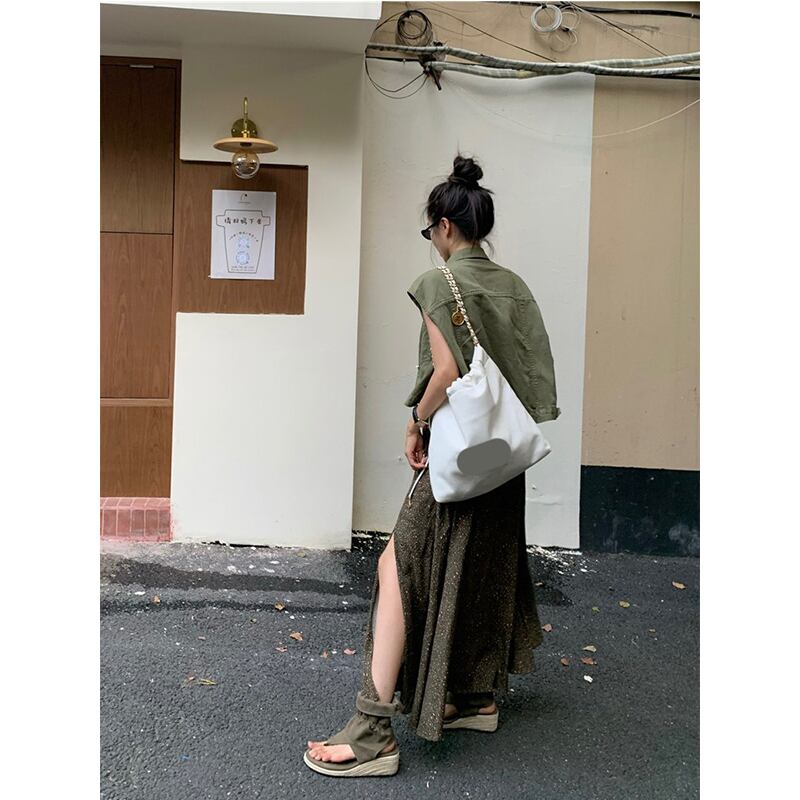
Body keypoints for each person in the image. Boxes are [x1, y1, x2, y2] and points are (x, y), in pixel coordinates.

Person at [303, 153, 561, 777]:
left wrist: (416, 421)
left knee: (396, 564)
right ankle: (474, 699)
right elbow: (532, 378)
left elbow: (445, 371)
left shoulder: (437, 282)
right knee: (482, 566)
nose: (432, 241)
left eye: (431, 231)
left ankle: (372, 731)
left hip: (457, 456)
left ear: (445, 226)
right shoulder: (514, 286)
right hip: (503, 456)